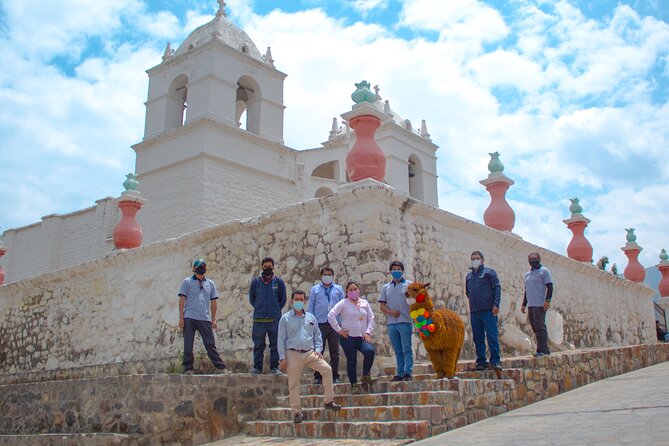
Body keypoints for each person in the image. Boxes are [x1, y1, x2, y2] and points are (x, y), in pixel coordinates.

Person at [278, 290, 342, 424]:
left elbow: (318, 336)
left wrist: (318, 349)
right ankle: (296, 412)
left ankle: (328, 400)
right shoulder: (285, 318)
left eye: (301, 299)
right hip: (293, 353)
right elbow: (281, 339)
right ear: (292, 301)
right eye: (297, 299)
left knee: (327, 370)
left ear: (305, 301)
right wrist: (282, 358)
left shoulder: (311, 318)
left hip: (309, 353)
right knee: (294, 384)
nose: (299, 302)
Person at [178, 259, 228, 374]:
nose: (202, 268)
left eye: (204, 266)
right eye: (200, 266)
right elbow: (182, 299)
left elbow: (213, 301)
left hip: (204, 318)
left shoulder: (210, 283)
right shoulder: (187, 281)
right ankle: (188, 368)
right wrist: (181, 318)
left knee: (210, 343)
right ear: (194, 268)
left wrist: (214, 319)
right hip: (189, 316)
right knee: (188, 343)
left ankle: (220, 367)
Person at [328, 280, 376, 393]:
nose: (353, 291)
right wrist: (339, 330)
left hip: (361, 337)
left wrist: (368, 332)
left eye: (355, 289)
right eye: (350, 290)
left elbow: (372, 318)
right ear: (347, 292)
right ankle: (354, 384)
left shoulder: (364, 303)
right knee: (352, 359)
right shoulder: (343, 303)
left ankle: (365, 375)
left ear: (358, 290)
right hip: (348, 338)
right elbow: (331, 315)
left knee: (369, 351)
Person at [465, 251, 502, 372]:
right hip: (475, 312)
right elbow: (468, 292)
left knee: (492, 336)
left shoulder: (489, 273)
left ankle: (495, 361)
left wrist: (496, 305)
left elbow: (497, 288)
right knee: (478, 337)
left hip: (488, 310)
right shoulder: (469, 276)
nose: (475, 260)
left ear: (482, 260)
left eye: (477, 258)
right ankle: (481, 361)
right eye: (473, 258)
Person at [249, 256, 287, 374]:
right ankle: (257, 367)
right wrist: (260, 308)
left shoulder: (279, 282)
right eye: (265, 267)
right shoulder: (256, 282)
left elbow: (283, 299)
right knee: (258, 345)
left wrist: (274, 310)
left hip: (274, 319)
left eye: (269, 266)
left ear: (273, 267)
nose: (267, 268)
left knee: (275, 344)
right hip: (259, 319)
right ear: (262, 267)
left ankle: (274, 367)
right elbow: (252, 299)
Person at [308, 266, 345, 384]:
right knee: (319, 350)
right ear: (321, 276)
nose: (327, 276)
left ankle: (335, 375)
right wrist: (310, 323)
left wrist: (341, 323)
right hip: (320, 324)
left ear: (332, 276)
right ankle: (317, 376)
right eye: (325, 274)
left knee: (335, 351)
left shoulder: (338, 289)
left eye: (329, 274)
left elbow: (343, 306)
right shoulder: (315, 290)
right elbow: (311, 307)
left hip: (334, 324)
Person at [379, 260, 414, 381]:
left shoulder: (409, 285)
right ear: (390, 271)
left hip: (405, 321)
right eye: (394, 269)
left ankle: (408, 372)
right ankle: (399, 373)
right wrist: (391, 312)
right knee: (398, 350)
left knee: (406, 348)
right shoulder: (386, 288)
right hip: (392, 324)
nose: (396, 271)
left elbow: (416, 300)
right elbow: (382, 305)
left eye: (399, 269)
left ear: (402, 271)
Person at [521, 252, 554, 357]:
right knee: (535, 327)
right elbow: (527, 290)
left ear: (539, 259)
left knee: (540, 326)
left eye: (534, 258)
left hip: (540, 304)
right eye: (530, 259)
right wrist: (523, 304)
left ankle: (542, 350)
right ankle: (545, 348)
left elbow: (550, 286)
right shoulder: (527, 274)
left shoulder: (544, 271)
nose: (532, 260)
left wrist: (547, 300)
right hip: (531, 304)